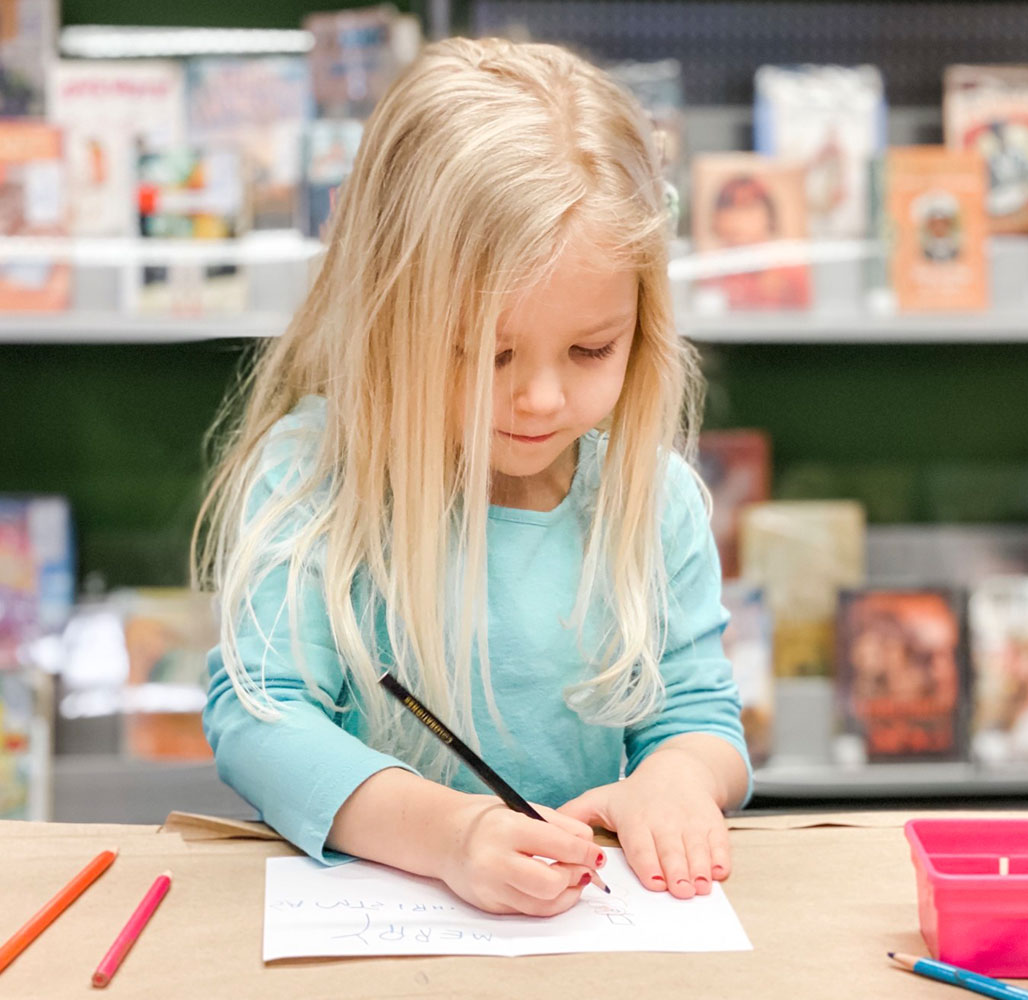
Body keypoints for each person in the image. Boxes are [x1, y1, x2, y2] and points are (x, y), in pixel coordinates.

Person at [195, 37, 751, 919]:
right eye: (483, 353)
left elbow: (698, 716)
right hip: (375, 937)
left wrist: (677, 779)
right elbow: (259, 722)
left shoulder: (652, 499)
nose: (539, 398)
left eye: (591, 349)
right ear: (389, 314)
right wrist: (448, 836)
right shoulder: (315, 475)